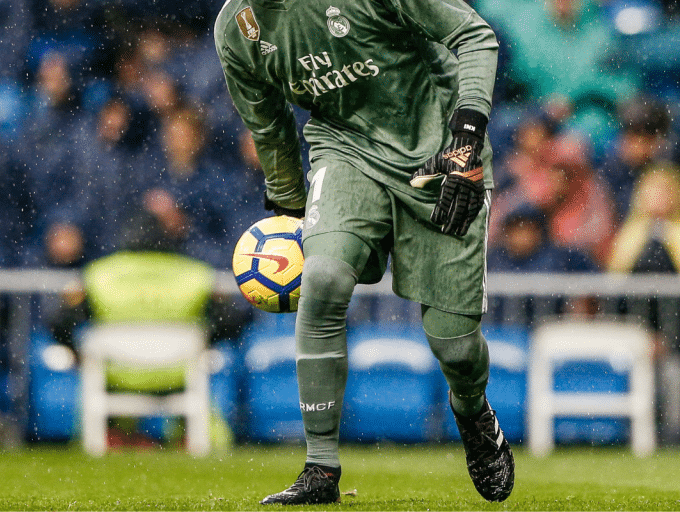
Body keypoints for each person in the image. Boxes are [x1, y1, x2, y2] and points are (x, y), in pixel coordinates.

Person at [215, 0, 513, 505]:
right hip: (346, 149)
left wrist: (466, 138)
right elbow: (268, 122)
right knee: (324, 278)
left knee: (454, 346)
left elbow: (476, 38)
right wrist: (289, 205)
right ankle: (320, 467)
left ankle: (472, 410)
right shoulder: (235, 30)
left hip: (440, 153)